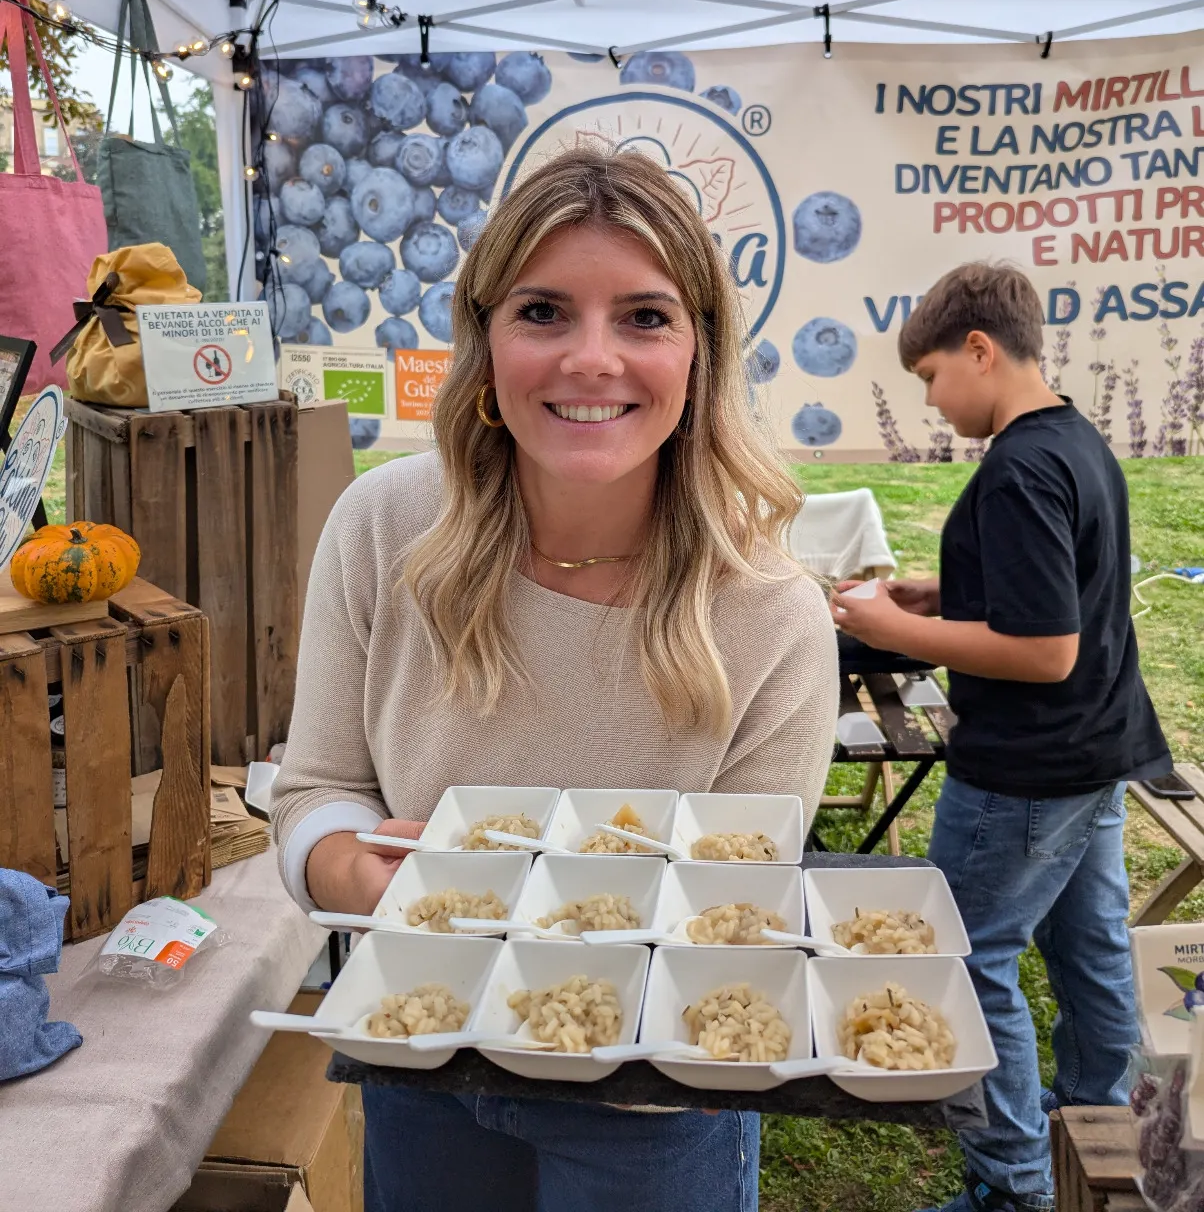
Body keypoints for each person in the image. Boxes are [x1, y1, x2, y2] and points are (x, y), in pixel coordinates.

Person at [272, 146, 839, 1212]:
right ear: (484, 337)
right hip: (423, 1047)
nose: (591, 358)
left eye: (644, 317)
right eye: (542, 311)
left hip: (655, 1098)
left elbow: (740, 903)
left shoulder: (771, 614)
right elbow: (318, 791)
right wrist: (356, 875)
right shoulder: (382, 528)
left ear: (700, 352)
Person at [831, 261, 1170, 1212]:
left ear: (979, 349)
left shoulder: (1017, 467)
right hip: (1097, 750)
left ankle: (1014, 1184)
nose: (931, 403)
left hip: (1027, 768)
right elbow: (1061, 582)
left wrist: (893, 631)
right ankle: (1103, 1124)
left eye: (931, 376)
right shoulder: (1074, 440)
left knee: (967, 960)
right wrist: (941, 594)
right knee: (1090, 947)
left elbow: (1047, 649)